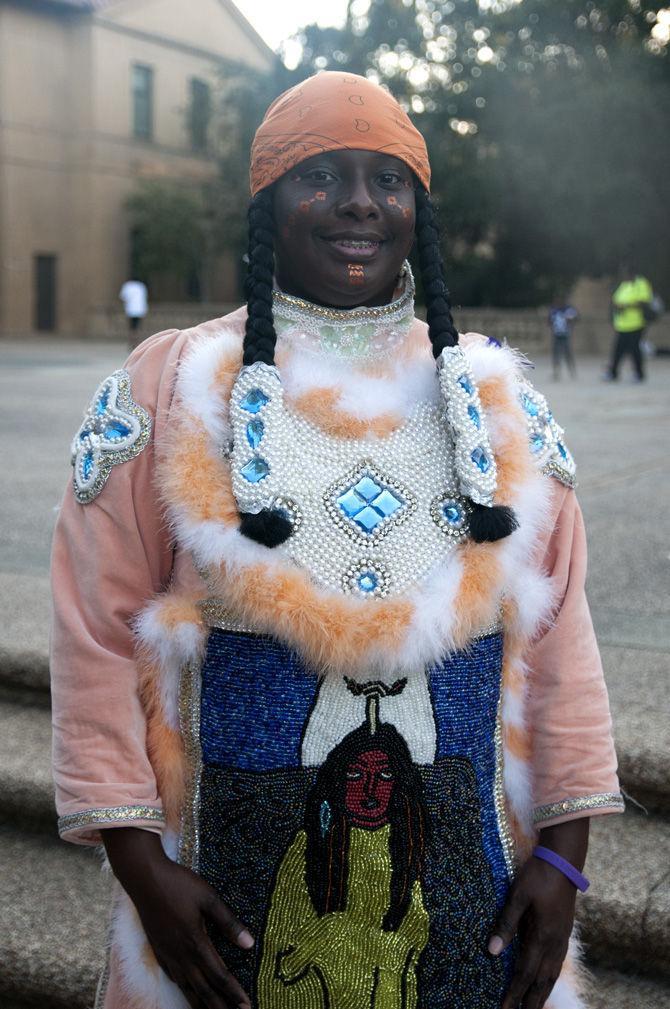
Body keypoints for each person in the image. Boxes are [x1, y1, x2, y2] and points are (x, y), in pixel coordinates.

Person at [51, 73, 623, 1009]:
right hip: (212, 912)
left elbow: (560, 636)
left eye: (387, 181)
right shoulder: (170, 385)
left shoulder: (494, 403)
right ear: (267, 202)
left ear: (418, 211)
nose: (359, 202)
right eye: (319, 175)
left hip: (468, 913)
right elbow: (97, 629)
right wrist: (140, 864)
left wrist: (564, 857)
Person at [605, 263, 654, 381]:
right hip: (622, 325)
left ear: (631, 273)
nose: (623, 275)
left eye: (625, 272)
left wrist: (626, 306)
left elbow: (644, 302)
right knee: (618, 350)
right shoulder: (624, 285)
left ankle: (639, 374)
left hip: (636, 324)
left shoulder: (641, 283)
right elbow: (616, 300)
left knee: (635, 350)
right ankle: (613, 373)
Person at [547, 299, 578, 380]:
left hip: (565, 335)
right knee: (556, 354)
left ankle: (572, 371)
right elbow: (549, 321)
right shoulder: (554, 311)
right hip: (557, 335)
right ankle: (556, 372)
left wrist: (570, 322)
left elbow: (576, 318)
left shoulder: (569, 310)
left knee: (568, 354)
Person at [119, 276, 149, 344]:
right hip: (140, 309)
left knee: (132, 326)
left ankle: (132, 340)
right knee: (137, 326)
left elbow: (123, 297)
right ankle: (137, 340)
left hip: (130, 309)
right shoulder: (141, 286)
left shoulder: (127, 286)